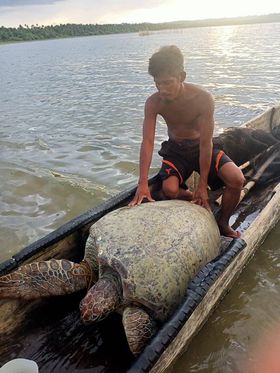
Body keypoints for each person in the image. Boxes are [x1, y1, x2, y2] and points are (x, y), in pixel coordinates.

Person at [129, 45, 244, 238]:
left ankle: (222, 223)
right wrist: (142, 183)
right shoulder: (153, 103)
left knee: (237, 179)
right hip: (175, 150)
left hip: (201, 147)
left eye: (168, 83)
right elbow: (147, 141)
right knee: (169, 190)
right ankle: (193, 198)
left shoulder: (203, 99)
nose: (162, 89)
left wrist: (203, 185)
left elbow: (206, 143)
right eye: (158, 84)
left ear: (182, 76)